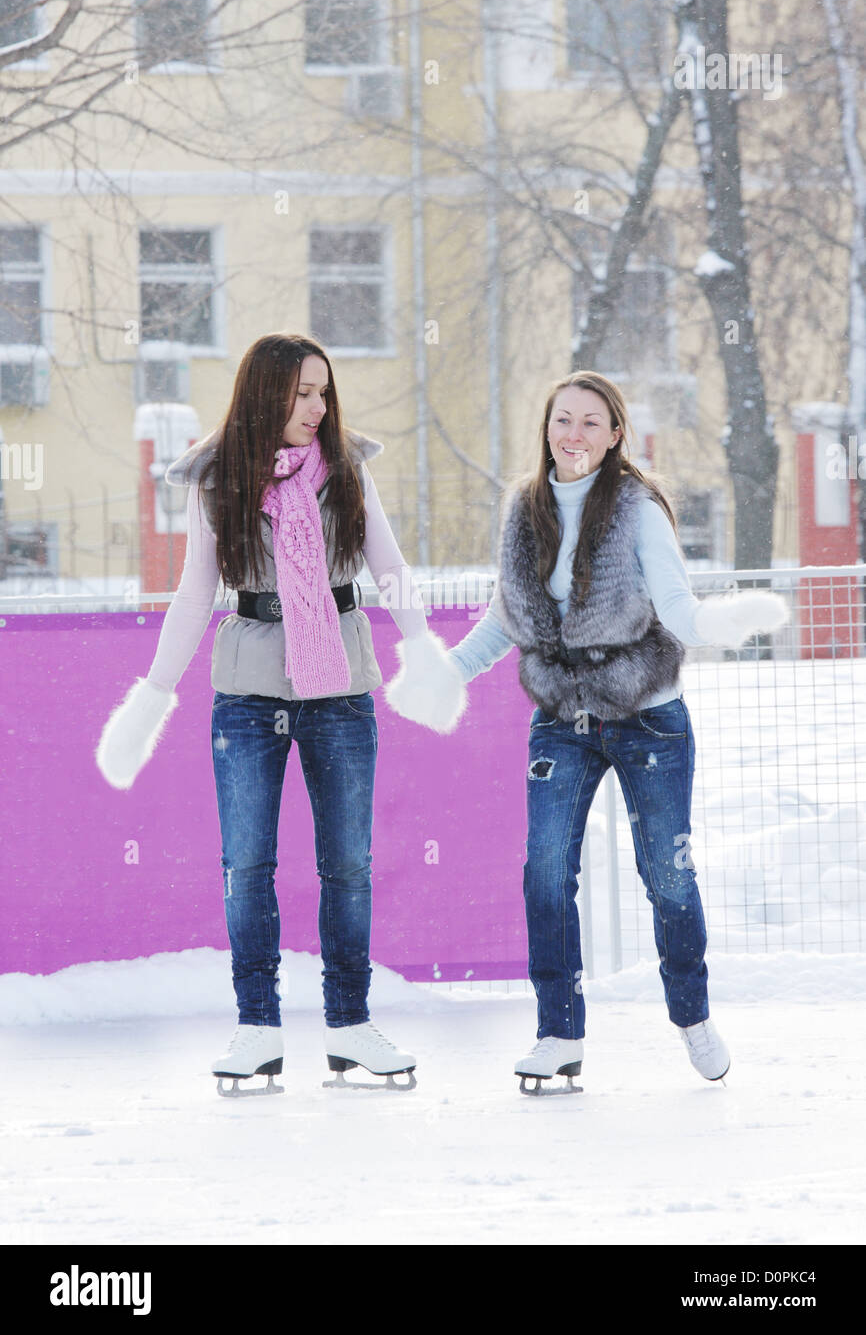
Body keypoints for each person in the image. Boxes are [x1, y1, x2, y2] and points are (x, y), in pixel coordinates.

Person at [386, 370, 789, 1091]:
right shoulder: (524, 510)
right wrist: (445, 674)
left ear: (614, 435)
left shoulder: (637, 509)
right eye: (562, 420)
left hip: (648, 715)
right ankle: (557, 1034)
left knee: (667, 874)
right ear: (547, 426)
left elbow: (675, 604)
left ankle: (692, 1015)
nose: (573, 435)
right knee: (545, 872)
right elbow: (505, 618)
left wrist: (720, 623)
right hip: (563, 718)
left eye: (590, 423)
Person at [95, 332, 465, 1093]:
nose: (317, 407)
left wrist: (424, 650)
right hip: (250, 690)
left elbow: (389, 566)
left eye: (324, 392)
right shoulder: (216, 477)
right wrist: (153, 696)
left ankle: (350, 1024)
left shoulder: (347, 469)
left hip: (339, 691)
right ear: (265, 393)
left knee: (349, 866)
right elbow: (197, 593)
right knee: (247, 867)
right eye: (302, 393)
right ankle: (257, 1027)